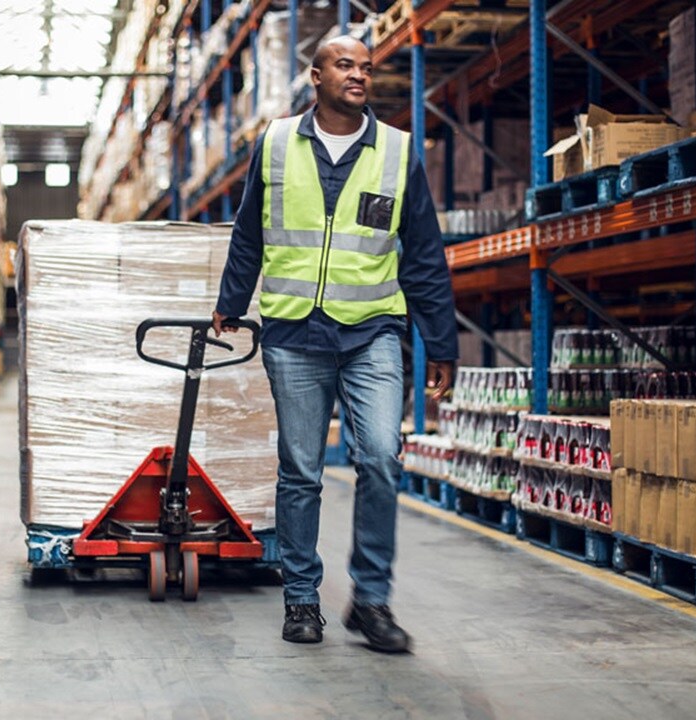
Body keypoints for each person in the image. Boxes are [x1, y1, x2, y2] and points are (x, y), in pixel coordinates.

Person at [212, 36, 457, 653]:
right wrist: (230, 301)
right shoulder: (273, 143)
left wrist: (441, 341)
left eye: (366, 68)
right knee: (301, 472)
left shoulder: (398, 152)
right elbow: (250, 233)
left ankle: (370, 601)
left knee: (379, 456)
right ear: (315, 75)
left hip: (372, 328)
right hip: (295, 332)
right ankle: (301, 601)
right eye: (345, 65)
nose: (358, 76)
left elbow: (424, 255)